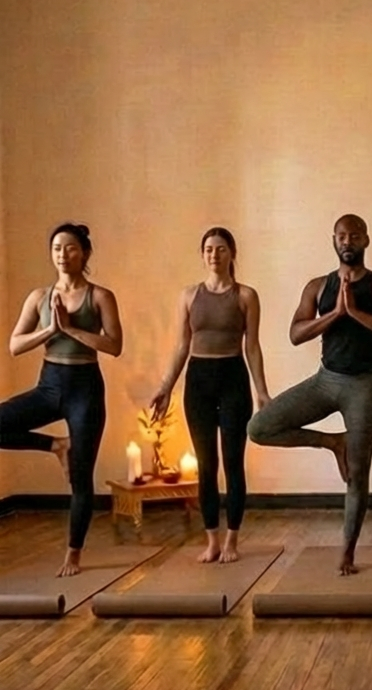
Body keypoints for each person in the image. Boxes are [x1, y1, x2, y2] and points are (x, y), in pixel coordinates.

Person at [248, 214, 372, 575]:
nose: (347, 241)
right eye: (341, 236)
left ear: (366, 240)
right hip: (325, 381)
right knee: (259, 428)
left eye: (354, 235)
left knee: (357, 473)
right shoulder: (317, 286)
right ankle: (333, 442)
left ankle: (347, 553)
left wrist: (355, 312)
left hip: (365, 385)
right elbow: (296, 334)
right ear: (333, 241)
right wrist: (336, 313)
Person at [1, 223, 122, 576]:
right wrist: (51, 330)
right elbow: (14, 345)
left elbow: (114, 345)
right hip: (49, 386)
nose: (63, 255)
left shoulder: (100, 297)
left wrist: (70, 329)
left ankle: (73, 554)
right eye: (56, 248)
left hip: (85, 389)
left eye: (70, 248)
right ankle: (56, 445)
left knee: (80, 479)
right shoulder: (39, 297)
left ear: (84, 253)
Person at [150, 228, 270, 564]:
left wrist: (261, 391)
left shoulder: (246, 296)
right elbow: (181, 346)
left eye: (220, 249)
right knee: (206, 464)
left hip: (233, 378)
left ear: (232, 253)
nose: (214, 255)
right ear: (202, 255)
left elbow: (252, 347)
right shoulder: (189, 296)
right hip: (198, 381)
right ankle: (212, 541)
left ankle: (232, 540)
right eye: (208, 249)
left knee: (232, 461)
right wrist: (165, 386)